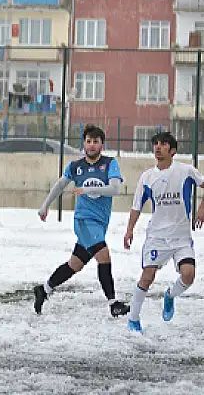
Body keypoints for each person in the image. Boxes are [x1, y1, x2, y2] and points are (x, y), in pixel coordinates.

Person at [34, 124, 129, 318]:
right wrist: (45, 206)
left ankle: (44, 289)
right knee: (104, 256)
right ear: (83, 144)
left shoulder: (110, 164)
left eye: (96, 141)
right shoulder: (75, 167)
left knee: (74, 265)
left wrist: (87, 190)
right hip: (84, 221)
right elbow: (60, 185)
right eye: (88, 141)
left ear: (102, 144)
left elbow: (115, 189)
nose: (92, 145)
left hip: (100, 223)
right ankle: (113, 303)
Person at [124, 132, 204, 333]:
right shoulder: (147, 177)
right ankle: (133, 319)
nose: (158, 147)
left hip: (181, 237)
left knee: (189, 275)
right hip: (157, 237)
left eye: (163, 144)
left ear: (173, 150)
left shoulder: (186, 171)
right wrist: (129, 230)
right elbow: (136, 207)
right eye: (156, 144)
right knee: (147, 276)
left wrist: (201, 209)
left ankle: (169, 295)